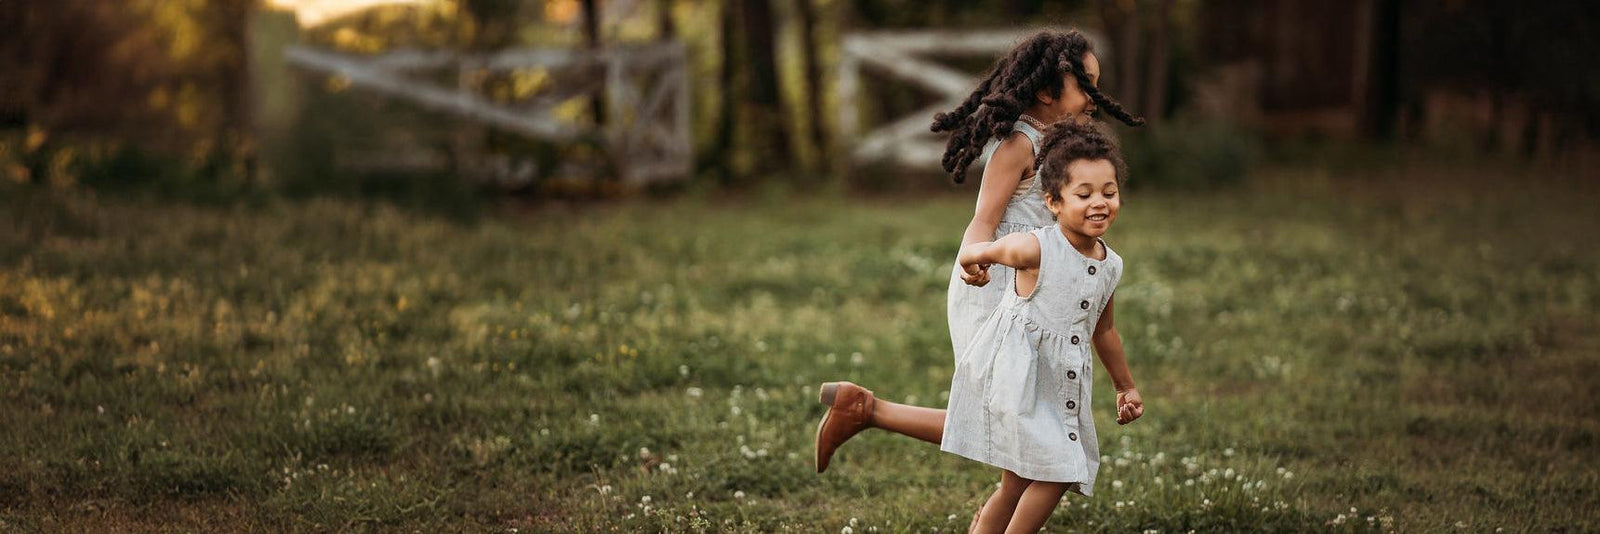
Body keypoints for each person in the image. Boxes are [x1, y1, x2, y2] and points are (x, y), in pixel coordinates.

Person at [815, 118, 1145, 533]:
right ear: (1053, 202)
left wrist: (1124, 386)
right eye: (1084, 194)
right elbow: (981, 250)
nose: (1099, 202)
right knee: (1060, 472)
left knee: (1015, 482)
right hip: (1020, 375)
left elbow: (1104, 330)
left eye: (1109, 192)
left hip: (1060, 383)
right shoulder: (1035, 247)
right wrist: (975, 266)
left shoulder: (1109, 264)